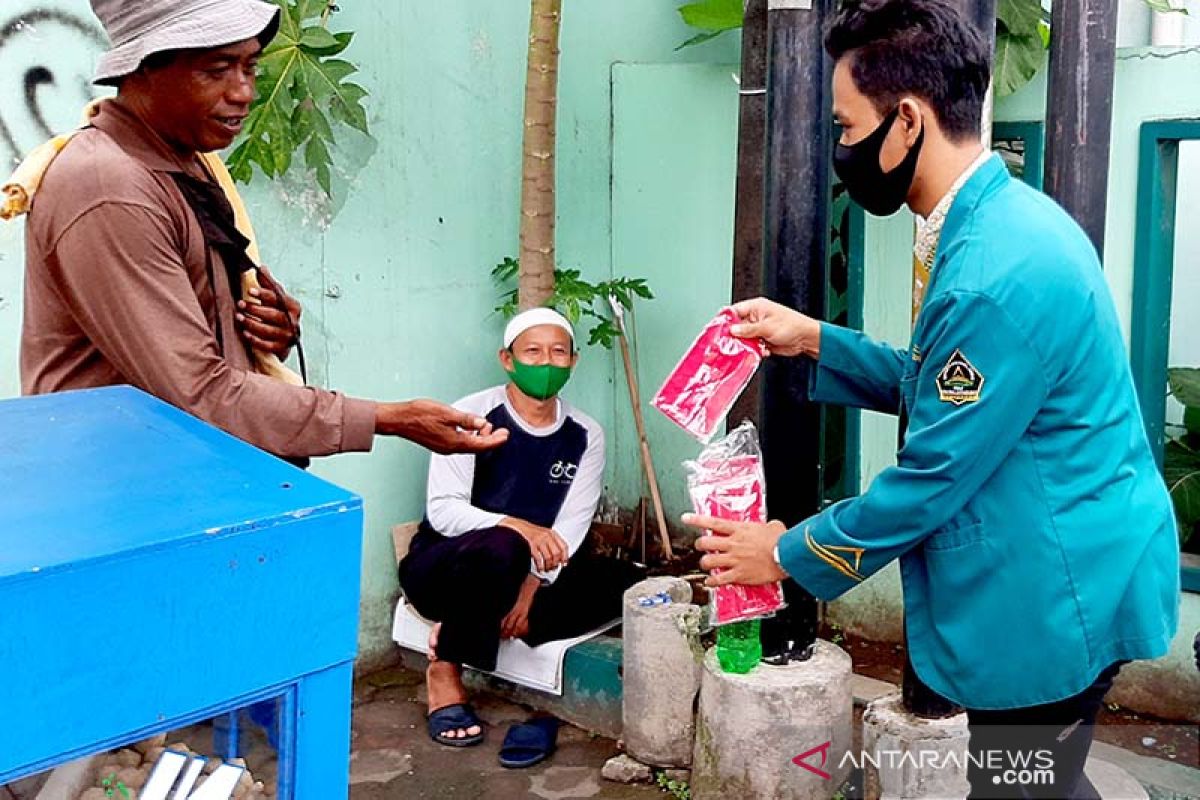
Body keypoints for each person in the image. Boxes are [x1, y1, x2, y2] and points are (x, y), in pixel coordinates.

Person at [684, 2, 1180, 798]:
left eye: (847, 127)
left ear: (907, 120)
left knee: (1023, 785)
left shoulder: (989, 272)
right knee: (1038, 783)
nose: (842, 147)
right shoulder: (1007, 220)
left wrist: (780, 555)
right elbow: (950, 389)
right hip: (1075, 559)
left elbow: (932, 477)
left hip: (1054, 591)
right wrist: (812, 336)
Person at [18, 0, 506, 461]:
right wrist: (388, 419)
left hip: (180, 478)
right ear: (143, 68)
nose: (243, 92)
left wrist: (259, 324)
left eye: (250, 67)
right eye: (215, 70)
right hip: (115, 498)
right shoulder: (109, 186)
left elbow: (197, 330)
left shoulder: (188, 163)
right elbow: (198, 392)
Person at [399, 308, 643, 758]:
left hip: (529, 573)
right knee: (504, 546)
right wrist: (517, 526)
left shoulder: (586, 433)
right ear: (507, 359)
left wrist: (533, 585)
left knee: (632, 585)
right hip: (450, 566)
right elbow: (443, 511)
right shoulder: (472, 414)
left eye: (557, 352)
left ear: (573, 361)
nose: (545, 362)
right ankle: (445, 666)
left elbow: (571, 525)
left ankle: (502, 618)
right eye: (532, 351)